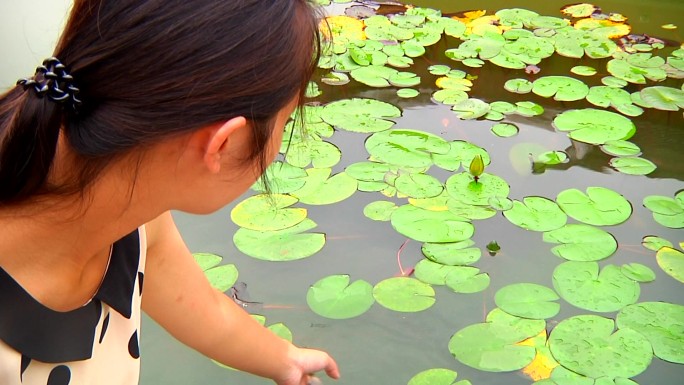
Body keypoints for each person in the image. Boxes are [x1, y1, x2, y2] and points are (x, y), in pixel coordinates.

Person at [0, 1, 340, 384]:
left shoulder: (136, 217)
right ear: (223, 144)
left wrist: (285, 360)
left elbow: (206, 312)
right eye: (287, 120)